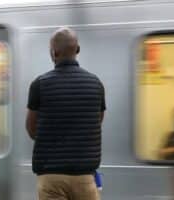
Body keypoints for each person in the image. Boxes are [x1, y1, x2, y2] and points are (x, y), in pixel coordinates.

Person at [26, 27, 105, 200]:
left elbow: (32, 130)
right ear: (77, 50)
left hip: (51, 178)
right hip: (85, 176)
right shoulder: (95, 83)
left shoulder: (40, 84)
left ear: (53, 52)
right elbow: (97, 122)